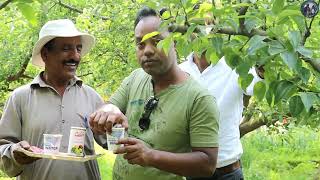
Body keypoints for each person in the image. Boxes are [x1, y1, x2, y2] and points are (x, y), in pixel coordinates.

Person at [89, 7, 220, 180]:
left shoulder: (198, 98)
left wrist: (151, 156)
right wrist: (107, 113)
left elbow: (207, 165)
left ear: (174, 42)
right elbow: (111, 106)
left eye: (157, 41)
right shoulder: (135, 78)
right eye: (140, 44)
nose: (147, 51)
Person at [0, 19, 106, 180]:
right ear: (45, 54)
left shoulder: (91, 96)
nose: (75, 56)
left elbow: (112, 140)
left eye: (78, 48)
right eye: (66, 49)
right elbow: (2, 147)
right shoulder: (20, 98)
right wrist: (15, 152)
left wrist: (116, 123)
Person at [180, 52, 262, 180]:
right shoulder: (180, 70)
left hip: (228, 171)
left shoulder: (235, 66)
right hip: (194, 169)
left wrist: (262, 69)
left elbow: (256, 85)